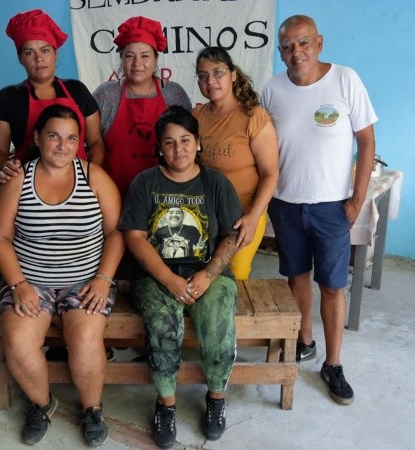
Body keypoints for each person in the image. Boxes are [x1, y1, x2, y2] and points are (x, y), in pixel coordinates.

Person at [0, 104, 123, 446]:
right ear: (37, 138)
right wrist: (18, 284)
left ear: (79, 143)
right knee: (18, 343)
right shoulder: (18, 179)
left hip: (86, 281)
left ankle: (92, 409)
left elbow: (117, 233)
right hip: (30, 281)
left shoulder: (94, 176)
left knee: (85, 342)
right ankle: (43, 404)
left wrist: (104, 279)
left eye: (71, 138)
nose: (62, 145)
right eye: (53, 136)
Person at [261, 15, 378, 406]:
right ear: (280, 52)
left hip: (332, 206)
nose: (297, 53)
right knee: (297, 277)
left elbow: (366, 141)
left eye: (304, 43)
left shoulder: (345, 80)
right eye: (288, 47)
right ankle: (305, 341)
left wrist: (357, 199)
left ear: (320, 43)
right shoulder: (272, 89)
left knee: (332, 285)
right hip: (285, 203)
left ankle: (333, 363)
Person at [120, 106, 243, 448]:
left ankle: (216, 398)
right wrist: (167, 279)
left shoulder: (216, 183)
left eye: (186, 140)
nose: (179, 149)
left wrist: (208, 273)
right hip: (155, 276)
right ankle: (166, 403)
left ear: (198, 143)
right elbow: (134, 237)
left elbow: (231, 236)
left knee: (218, 324)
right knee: (163, 327)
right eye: (170, 143)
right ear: (160, 147)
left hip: (208, 273)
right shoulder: (145, 182)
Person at [0, 9, 106, 183]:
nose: (39, 59)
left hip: (78, 180)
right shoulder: (7, 97)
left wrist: (89, 174)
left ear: (55, 53)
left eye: (45, 50)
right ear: (20, 58)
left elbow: (96, 142)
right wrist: (5, 166)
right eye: (29, 53)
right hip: (27, 183)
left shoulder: (77, 90)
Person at [192, 46, 279, 280]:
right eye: (203, 76)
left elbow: (270, 173)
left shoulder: (254, 117)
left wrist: (253, 217)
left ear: (233, 75)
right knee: (202, 275)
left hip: (243, 213)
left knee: (234, 275)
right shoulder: (195, 117)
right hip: (205, 215)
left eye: (218, 73)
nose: (210, 81)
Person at [93, 16, 191, 196]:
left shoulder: (174, 94)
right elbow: (92, 145)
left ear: (155, 59)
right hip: (113, 195)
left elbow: (189, 147)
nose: (137, 63)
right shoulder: (105, 95)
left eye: (145, 56)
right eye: (129, 56)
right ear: (121, 59)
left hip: (166, 196)